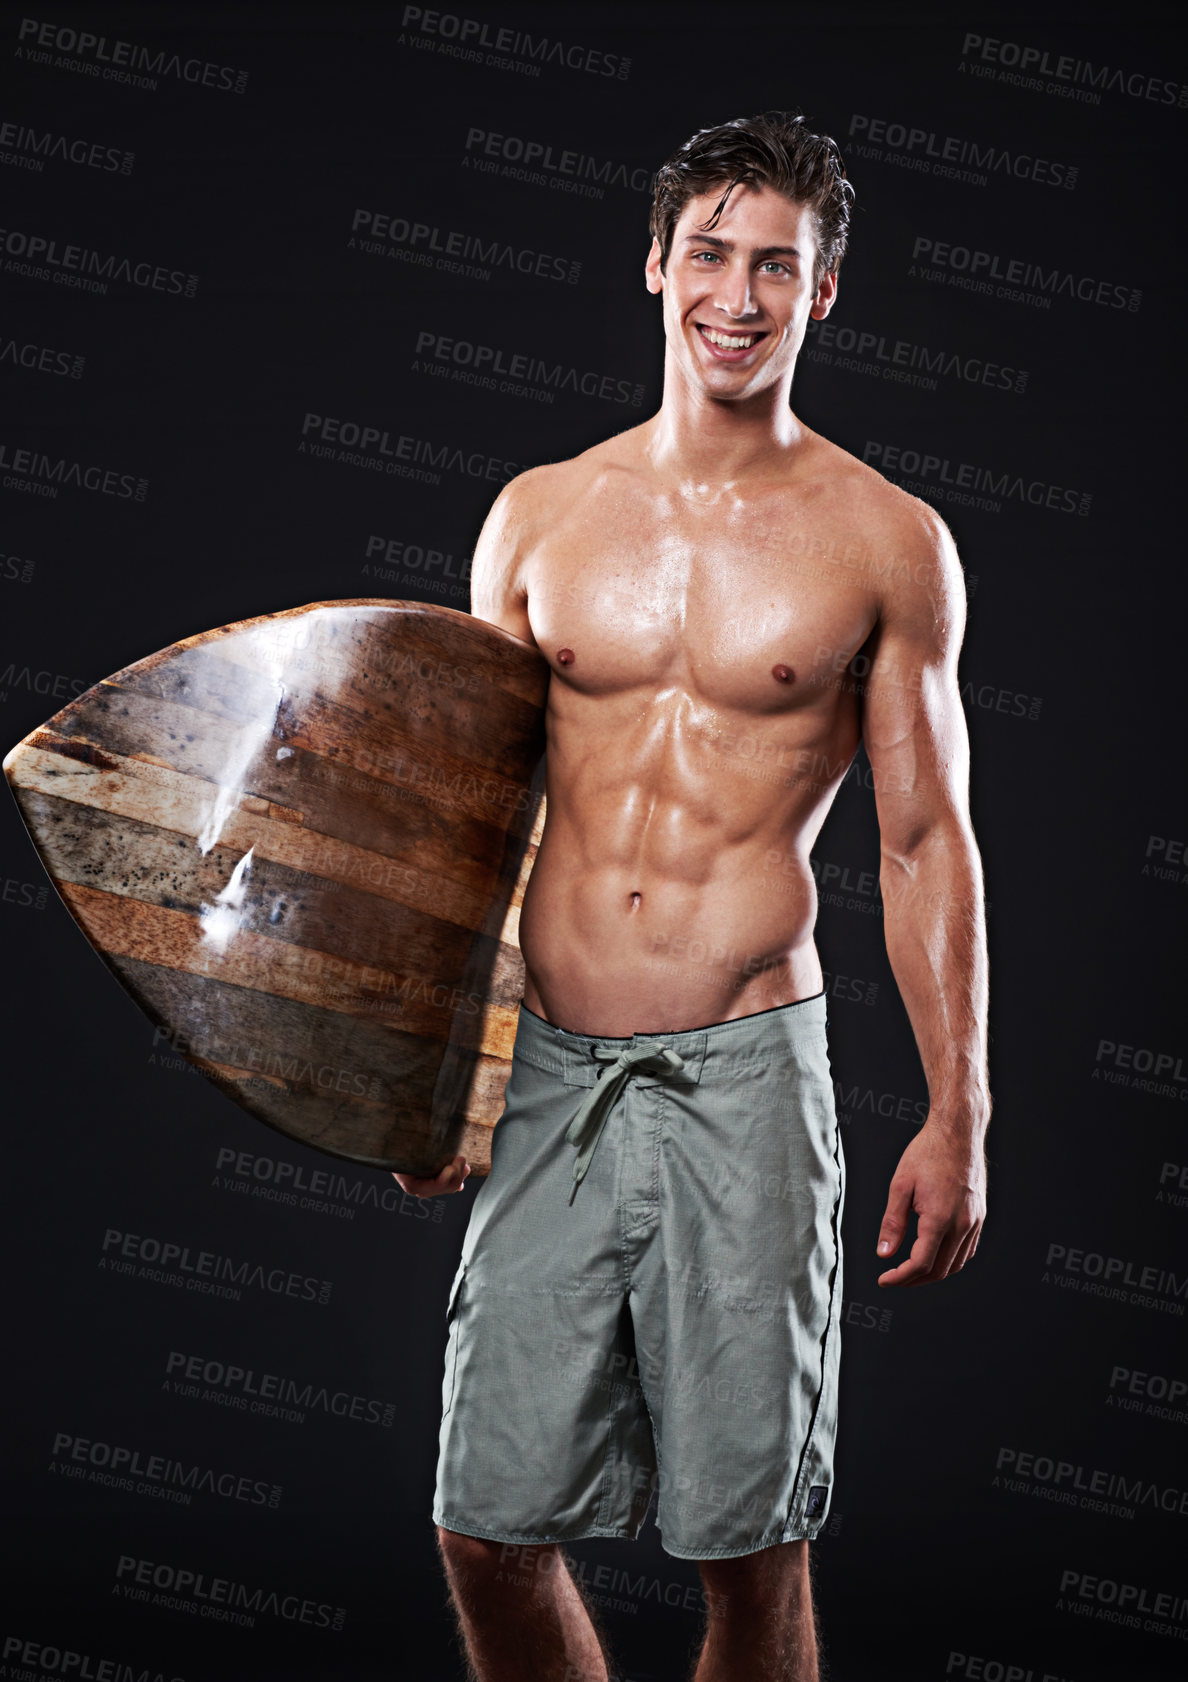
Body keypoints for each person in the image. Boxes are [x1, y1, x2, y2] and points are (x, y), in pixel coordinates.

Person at [394, 110, 991, 1682]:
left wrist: (959, 1109)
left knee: (751, 1550)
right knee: (486, 1524)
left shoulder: (887, 540)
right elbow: (477, 814)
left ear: (823, 293)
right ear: (655, 265)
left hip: (748, 1075)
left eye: (777, 264)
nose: (739, 293)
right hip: (553, 1071)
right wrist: (428, 1070)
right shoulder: (537, 515)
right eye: (711, 253)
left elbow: (927, 838)